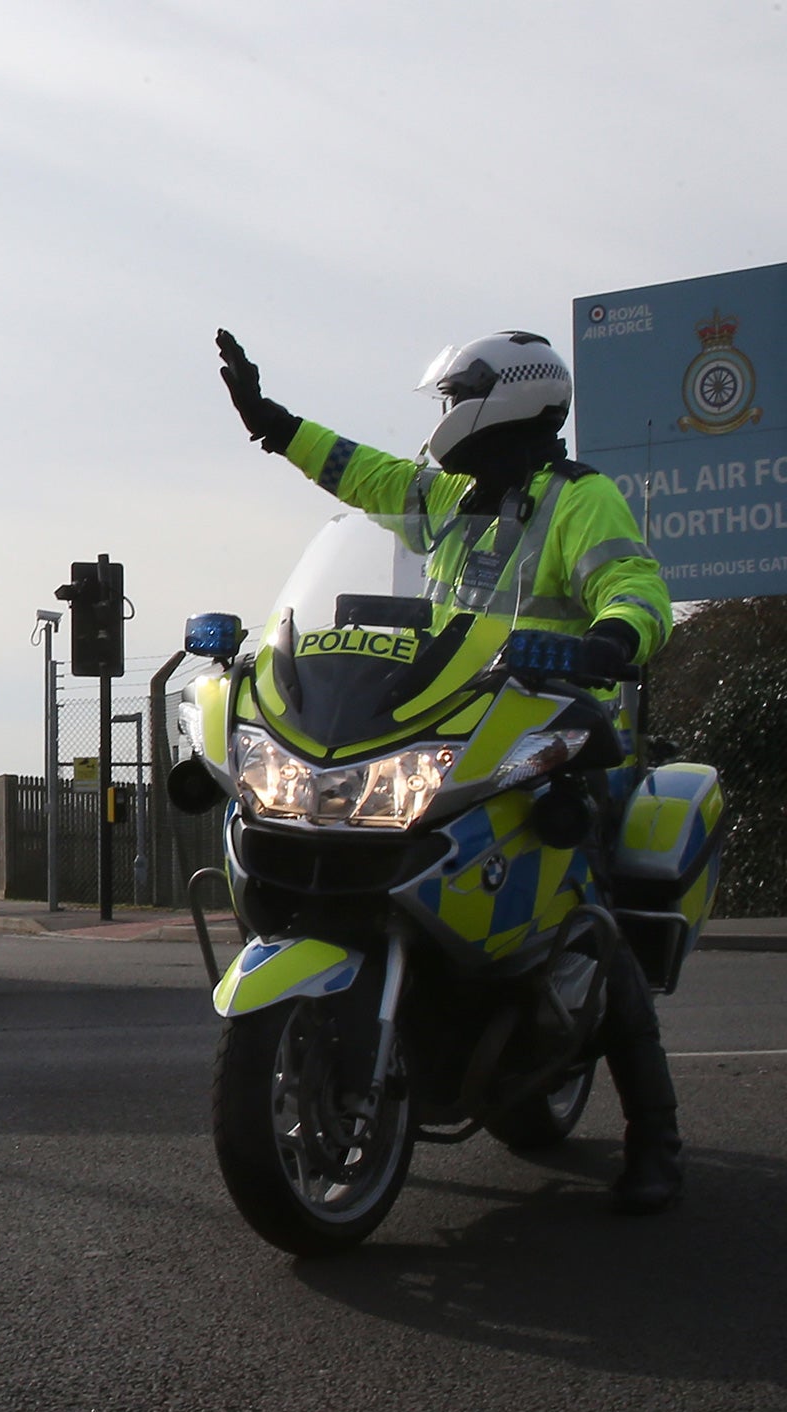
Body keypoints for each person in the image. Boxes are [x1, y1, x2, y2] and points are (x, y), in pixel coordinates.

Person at [214, 326, 684, 1215]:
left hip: (560, 730)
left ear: (507, 398)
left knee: (593, 914)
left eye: (453, 398)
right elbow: (357, 474)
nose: (441, 419)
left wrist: (610, 638)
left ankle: (657, 1138)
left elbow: (633, 586)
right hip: (457, 727)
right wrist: (269, 420)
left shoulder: (579, 501)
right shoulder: (442, 496)